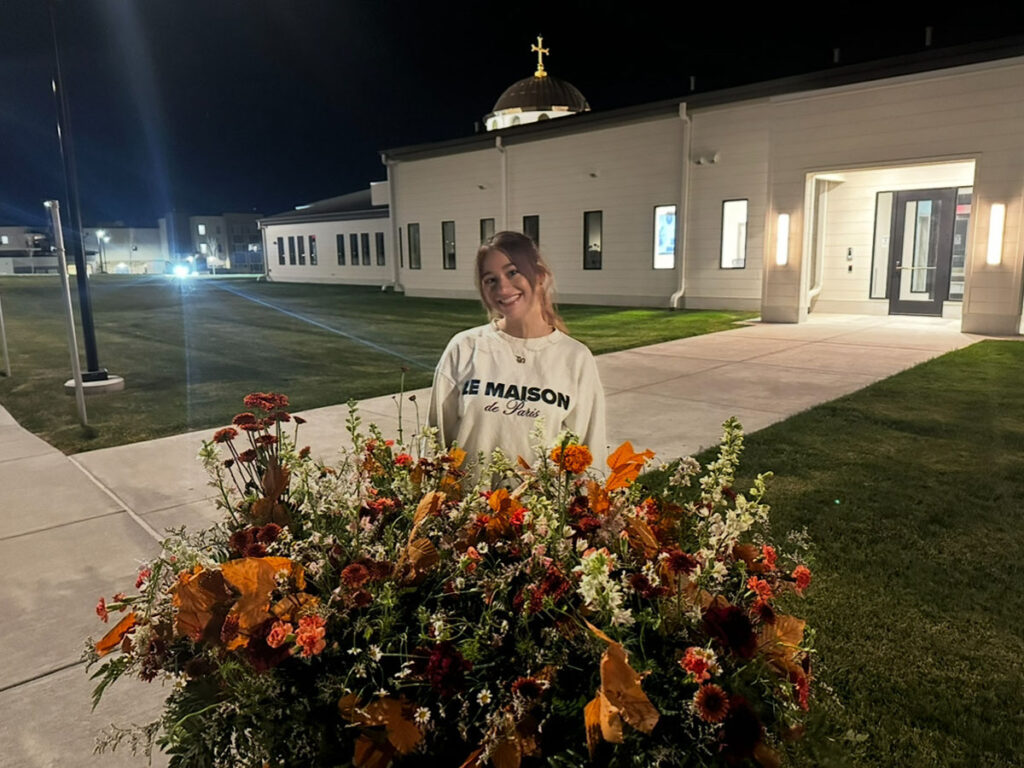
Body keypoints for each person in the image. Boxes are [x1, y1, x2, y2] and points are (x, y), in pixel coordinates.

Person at [429, 231, 608, 473]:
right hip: (466, 507)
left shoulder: (575, 358)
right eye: (490, 279)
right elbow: (435, 442)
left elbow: (590, 451)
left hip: (540, 508)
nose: (503, 288)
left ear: (540, 275)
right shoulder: (464, 348)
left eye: (513, 272)